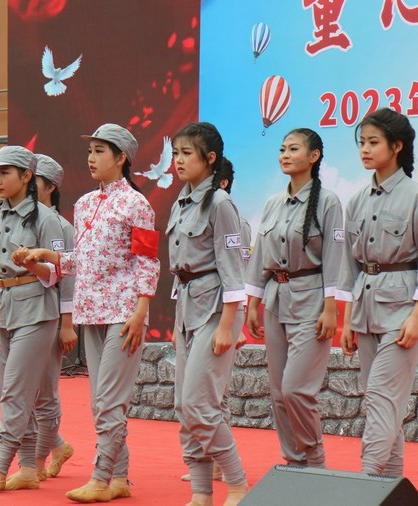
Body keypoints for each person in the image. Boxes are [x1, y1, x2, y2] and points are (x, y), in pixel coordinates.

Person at [13, 124, 160, 503]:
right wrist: (46, 256)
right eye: (90, 151)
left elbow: (147, 260)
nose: (91, 158)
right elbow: (84, 260)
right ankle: (120, 478)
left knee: (108, 400)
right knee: (102, 400)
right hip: (91, 311)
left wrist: (141, 311)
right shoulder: (84, 204)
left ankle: (100, 477)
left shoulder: (137, 204)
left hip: (125, 312)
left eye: (99, 151)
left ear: (122, 157)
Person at [338, 108, 418, 477]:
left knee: (381, 396)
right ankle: (390, 487)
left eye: (373, 142)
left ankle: (365, 480)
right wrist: (348, 320)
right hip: (365, 308)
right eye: (361, 143)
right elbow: (349, 264)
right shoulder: (357, 201)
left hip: (402, 310)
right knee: (386, 403)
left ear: (396, 146)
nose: (365, 150)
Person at [0, 145, 65, 495]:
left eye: (5, 172)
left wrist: (34, 264)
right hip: (0, 309)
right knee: (6, 391)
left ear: (27, 176)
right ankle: (26, 468)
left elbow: (61, 272)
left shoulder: (47, 219)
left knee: (16, 391)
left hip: (37, 309)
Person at [245, 128, 345, 468]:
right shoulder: (272, 203)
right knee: (278, 393)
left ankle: (314, 460)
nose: (285, 155)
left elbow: (334, 256)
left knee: (296, 389)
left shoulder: (328, 202)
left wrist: (330, 308)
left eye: (293, 149)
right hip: (275, 299)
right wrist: (253, 304)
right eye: (282, 149)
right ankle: (293, 462)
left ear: (314, 156)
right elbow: (260, 255)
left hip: (311, 301)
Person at [167, 122, 249, 506]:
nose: (178, 160)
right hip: (187, 309)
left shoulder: (220, 204)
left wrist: (228, 326)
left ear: (210, 158)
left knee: (200, 403)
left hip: (216, 311)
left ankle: (238, 485)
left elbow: (233, 269)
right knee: (184, 407)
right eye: (176, 153)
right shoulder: (180, 202)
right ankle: (201, 493)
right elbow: (180, 269)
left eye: (187, 153)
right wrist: (177, 323)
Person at [32, 154, 78, 481]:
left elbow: (68, 277)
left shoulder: (61, 227)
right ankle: (57, 445)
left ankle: (35, 461)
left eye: (32, 181)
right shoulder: (18, 221)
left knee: (44, 390)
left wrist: (67, 323)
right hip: (21, 315)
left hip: (49, 316)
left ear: (50, 187)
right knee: (25, 390)